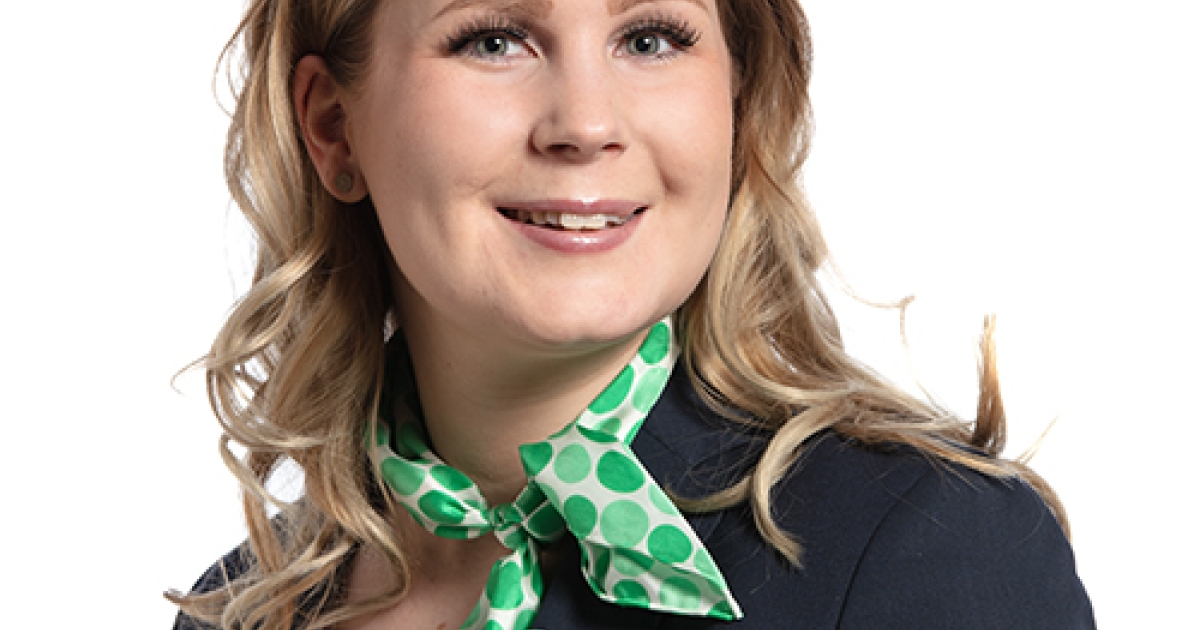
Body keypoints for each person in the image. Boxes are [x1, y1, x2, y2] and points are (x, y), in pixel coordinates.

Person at [169, 0, 1095, 628]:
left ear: (737, 100)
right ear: (333, 127)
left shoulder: (934, 551)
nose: (585, 123)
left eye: (650, 38)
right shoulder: (245, 611)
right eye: (494, 39)